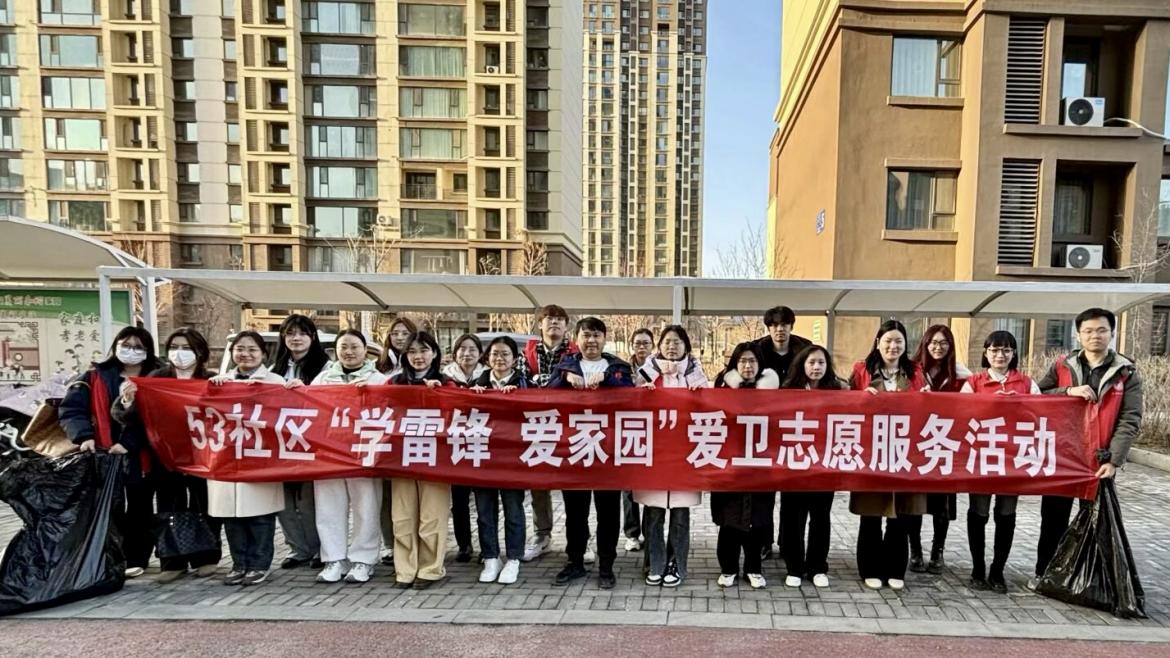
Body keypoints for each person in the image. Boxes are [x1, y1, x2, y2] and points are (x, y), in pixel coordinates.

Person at [1030, 307, 1142, 591]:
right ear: (1078, 334)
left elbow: (1130, 418)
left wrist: (1114, 460)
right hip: (1062, 456)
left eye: (1102, 330)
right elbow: (1037, 395)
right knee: (1053, 518)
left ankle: (1094, 582)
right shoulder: (1062, 366)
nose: (1095, 336)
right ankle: (1046, 574)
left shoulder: (1125, 372)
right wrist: (1068, 392)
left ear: (1112, 333)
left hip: (1099, 458)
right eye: (1088, 331)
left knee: (1097, 521)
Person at [113, 327, 220, 583]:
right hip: (165, 455)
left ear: (200, 352)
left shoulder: (211, 379)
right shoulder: (157, 378)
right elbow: (133, 417)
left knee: (204, 505)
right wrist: (127, 401)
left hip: (203, 455)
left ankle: (206, 557)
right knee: (169, 506)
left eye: (186, 348)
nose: (179, 353)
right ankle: (172, 561)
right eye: (174, 347)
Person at [60, 326, 162, 579]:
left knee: (140, 508)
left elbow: (160, 417)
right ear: (115, 346)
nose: (131, 351)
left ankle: (136, 558)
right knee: (107, 508)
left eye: (138, 347)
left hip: (142, 456)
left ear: (148, 351)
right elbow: (72, 410)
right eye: (126, 345)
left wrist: (130, 442)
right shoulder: (94, 376)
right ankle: (108, 558)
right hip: (103, 453)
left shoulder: (158, 377)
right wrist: (83, 436)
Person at [549, 316, 633, 590]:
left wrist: (607, 379)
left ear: (604, 339)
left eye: (597, 335)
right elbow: (545, 395)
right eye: (586, 335)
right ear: (577, 339)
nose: (592, 340)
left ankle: (606, 565)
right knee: (575, 512)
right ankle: (575, 561)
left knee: (608, 513)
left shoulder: (618, 368)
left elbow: (631, 395)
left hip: (608, 452)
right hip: (575, 450)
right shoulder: (564, 366)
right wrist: (564, 378)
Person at [849, 319, 928, 591]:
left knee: (901, 515)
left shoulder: (915, 372)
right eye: (888, 341)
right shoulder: (861, 370)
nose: (893, 346)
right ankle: (869, 568)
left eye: (898, 341)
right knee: (870, 513)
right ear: (877, 343)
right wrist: (860, 397)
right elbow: (844, 404)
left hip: (905, 452)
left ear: (906, 345)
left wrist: (927, 398)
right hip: (871, 450)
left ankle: (895, 568)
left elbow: (927, 408)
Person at [304, 329, 388, 584]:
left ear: (365, 350)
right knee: (328, 505)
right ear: (336, 351)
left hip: (364, 452)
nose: (349, 352)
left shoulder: (379, 380)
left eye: (354, 346)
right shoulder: (323, 379)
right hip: (329, 452)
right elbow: (306, 407)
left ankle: (364, 560)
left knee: (366, 505)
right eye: (344, 347)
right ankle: (334, 559)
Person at [960, 330, 1039, 593]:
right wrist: (990, 404)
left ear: (1014, 353)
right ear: (986, 353)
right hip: (982, 457)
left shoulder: (1027, 384)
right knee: (978, 513)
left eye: (1006, 350)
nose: (1000, 355)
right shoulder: (974, 382)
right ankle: (977, 568)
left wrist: (1021, 404)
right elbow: (960, 414)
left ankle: (998, 571)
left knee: (1006, 514)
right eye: (994, 350)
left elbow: (1042, 415)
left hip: (1013, 459)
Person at [208, 331, 288, 586]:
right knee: (231, 516)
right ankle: (239, 563)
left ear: (263, 354)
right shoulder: (220, 382)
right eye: (240, 349)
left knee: (259, 516)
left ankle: (259, 564)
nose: (246, 354)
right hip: (227, 459)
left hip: (260, 458)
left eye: (252, 349)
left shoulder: (276, 382)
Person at [735, 305, 811, 560]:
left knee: (792, 492)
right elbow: (740, 376)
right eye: (775, 325)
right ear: (768, 328)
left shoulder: (805, 348)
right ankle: (763, 541)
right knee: (763, 491)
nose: (780, 330)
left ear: (791, 326)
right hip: (764, 429)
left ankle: (789, 543)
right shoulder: (758, 349)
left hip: (795, 428)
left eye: (784, 325)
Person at [634, 325, 707, 588]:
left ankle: (676, 564)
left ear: (686, 346)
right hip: (654, 453)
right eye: (667, 342)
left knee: (680, 514)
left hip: (684, 454)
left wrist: (700, 398)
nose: (672, 346)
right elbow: (630, 407)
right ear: (659, 345)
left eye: (677, 342)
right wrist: (641, 396)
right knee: (653, 513)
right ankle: (654, 563)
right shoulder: (646, 372)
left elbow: (708, 411)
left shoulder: (696, 374)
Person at [388, 331, 454, 589]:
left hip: (435, 459)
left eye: (424, 350)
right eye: (412, 351)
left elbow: (459, 414)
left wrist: (440, 395)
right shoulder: (394, 383)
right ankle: (404, 569)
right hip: (401, 458)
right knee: (402, 515)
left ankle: (430, 569)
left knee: (432, 516)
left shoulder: (447, 383)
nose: (418, 356)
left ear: (434, 353)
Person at [711, 342, 777, 589]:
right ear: (735, 364)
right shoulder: (722, 388)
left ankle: (753, 568)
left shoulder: (774, 391)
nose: (748, 366)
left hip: (761, 464)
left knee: (757, 520)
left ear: (760, 364)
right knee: (729, 520)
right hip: (730, 464)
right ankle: (728, 567)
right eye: (742, 361)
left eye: (752, 361)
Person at [780, 345, 844, 589]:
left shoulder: (838, 391)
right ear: (802, 365)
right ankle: (794, 567)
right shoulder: (788, 391)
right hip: (794, 464)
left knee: (820, 518)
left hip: (824, 465)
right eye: (811, 362)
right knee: (792, 518)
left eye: (821, 363)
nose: (816, 367)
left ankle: (817, 566)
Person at [906, 325, 968, 575]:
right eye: (933, 342)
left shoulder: (959, 374)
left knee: (942, 503)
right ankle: (915, 551)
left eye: (943, 343)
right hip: (916, 444)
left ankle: (937, 551)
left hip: (945, 444)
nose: (938, 347)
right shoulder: (912, 371)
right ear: (925, 344)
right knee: (915, 501)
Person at [517, 304, 578, 562]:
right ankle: (542, 535)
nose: (554, 323)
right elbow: (521, 384)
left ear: (566, 326)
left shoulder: (575, 352)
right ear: (540, 324)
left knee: (573, 485)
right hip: (538, 426)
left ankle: (579, 539)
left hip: (569, 428)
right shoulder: (527, 353)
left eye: (559, 319)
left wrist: (544, 383)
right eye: (549, 319)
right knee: (538, 485)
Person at [269, 314, 329, 571]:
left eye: (302, 333)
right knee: (284, 501)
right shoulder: (275, 369)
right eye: (290, 333)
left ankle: (318, 549)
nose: (296, 338)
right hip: (281, 443)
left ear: (312, 337)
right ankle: (297, 549)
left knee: (309, 501)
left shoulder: (326, 368)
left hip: (312, 443)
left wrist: (307, 390)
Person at [470, 336, 528, 584]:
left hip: (512, 460)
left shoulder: (525, 384)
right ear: (487, 357)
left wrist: (518, 397)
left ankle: (514, 558)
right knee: (484, 511)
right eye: (495, 354)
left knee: (513, 510)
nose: (499, 359)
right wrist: (473, 397)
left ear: (514, 359)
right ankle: (490, 557)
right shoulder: (476, 384)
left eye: (505, 354)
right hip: (483, 457)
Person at [375, 316, 417, 567]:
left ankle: (413, 543)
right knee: (387, 497)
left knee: (411, 496)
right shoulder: (379, 368)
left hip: (414, 440)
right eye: (395, 333)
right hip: (385, 440)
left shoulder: (422, 367)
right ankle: (391, 544)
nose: (400, 338)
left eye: (405, 333)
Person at [441, 333, 488, 564]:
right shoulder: (444, 378)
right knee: (459, 502)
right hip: (455, 445)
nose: (467, 354)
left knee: (484, 501)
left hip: (482, 445)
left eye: (472, 349)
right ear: (455, 353)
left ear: (480, 354)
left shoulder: (488, 376)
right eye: (462, 349)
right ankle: (464, 545)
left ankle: (487, 546)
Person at [623, 328, 655, 552]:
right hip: (628, 429)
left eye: (646, 343)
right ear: (632, 346)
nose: (641, 347)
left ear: (652, 346)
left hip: (653, 431)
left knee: (650, 486)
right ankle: (632, 533)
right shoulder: (622, 369)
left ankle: (649, 531)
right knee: (628, 487)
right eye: (638, 343)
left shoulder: (660, 368)